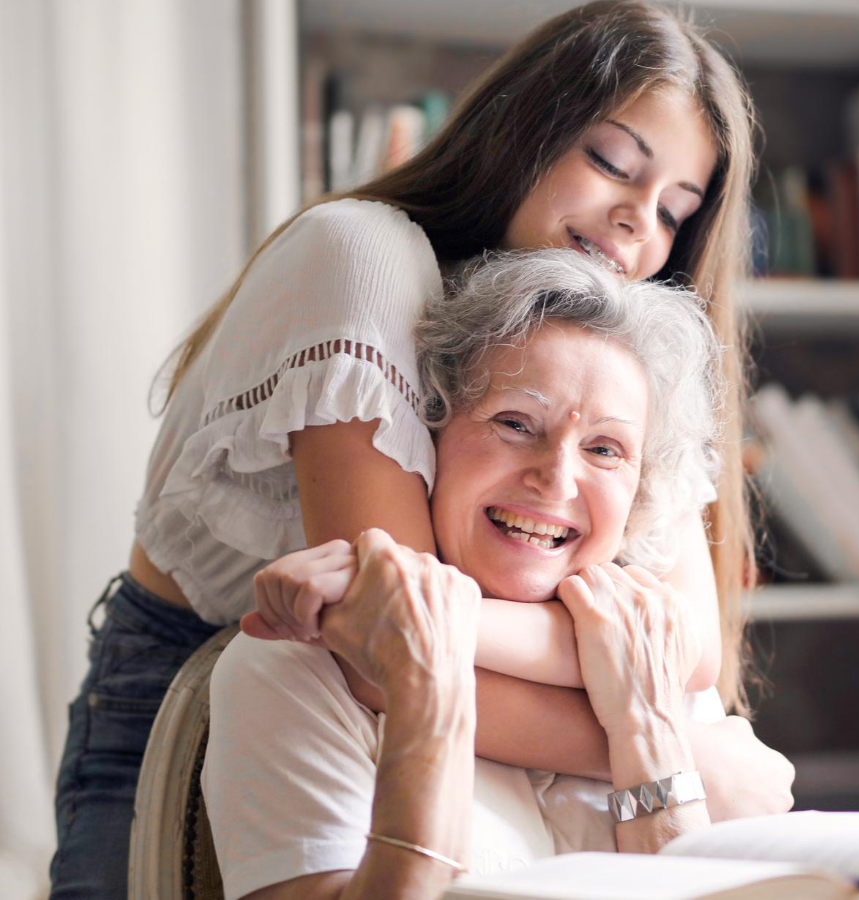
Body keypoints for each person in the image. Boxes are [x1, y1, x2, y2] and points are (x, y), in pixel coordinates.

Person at [49, 3, 772, 897]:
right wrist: (670, 737)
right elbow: (392, 657)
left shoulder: (616, 340)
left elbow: (689, 646)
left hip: (443, 716)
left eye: (675, 210)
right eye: (610, 163)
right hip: (205, 696)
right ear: (521, 129)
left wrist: (645, 705)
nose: (637, 224)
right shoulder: (364, 258)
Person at [203, 250, 792, 900]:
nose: (557, 478)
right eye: (515, 424)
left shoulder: (665, 686)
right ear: (428, 435)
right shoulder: (296, 674)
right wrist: (424, 677)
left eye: (605, 449)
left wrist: (649, 730)